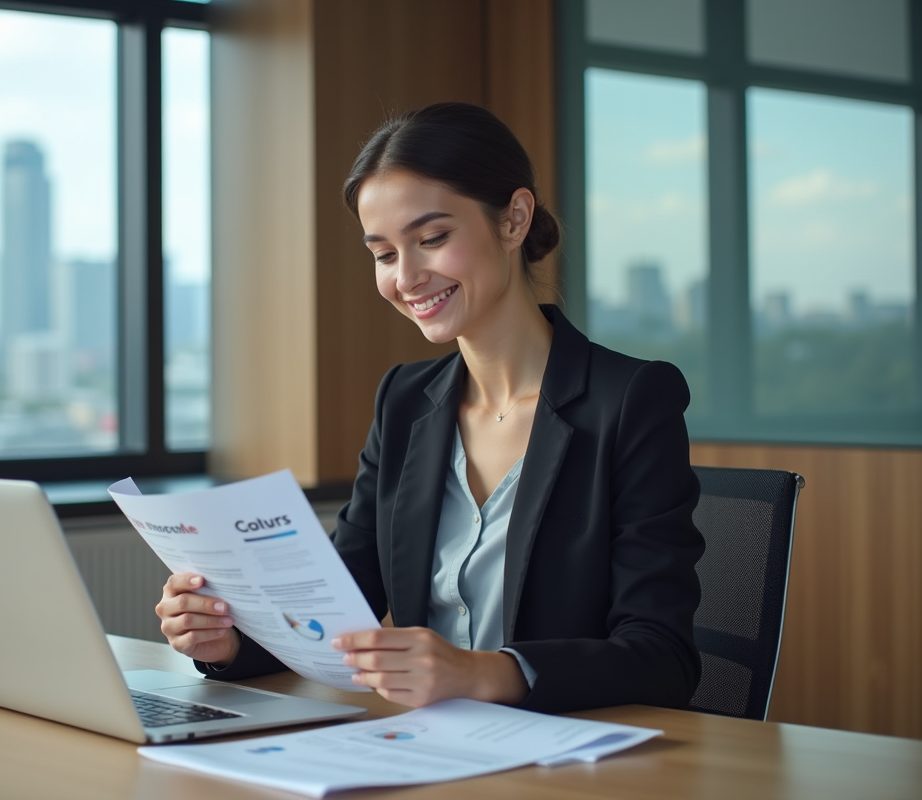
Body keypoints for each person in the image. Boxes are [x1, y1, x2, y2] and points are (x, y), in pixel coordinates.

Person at [154, 102, 705, 714]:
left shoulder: (630, 400)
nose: (407, 277)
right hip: (424, 740)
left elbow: (662, 658)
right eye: (385, 254)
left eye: (433, 239)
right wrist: (227, 640)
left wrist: (481, 673)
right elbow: (339, 606)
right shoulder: (404, 401)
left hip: (565, 748)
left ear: (514, 219)